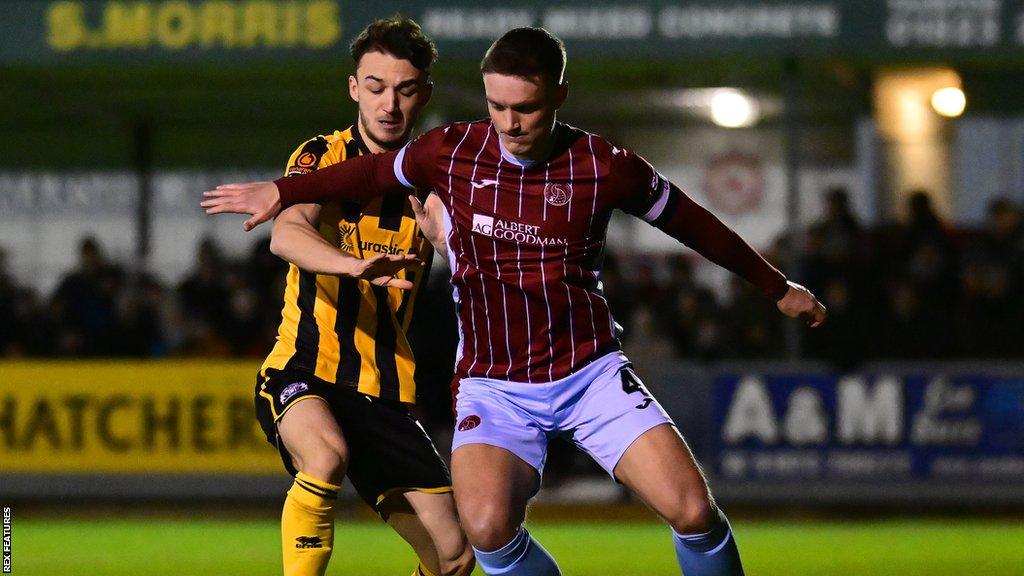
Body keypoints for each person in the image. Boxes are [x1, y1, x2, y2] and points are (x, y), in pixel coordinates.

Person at [203, 27, 826, 576]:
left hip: (590, 373)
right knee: (485, 530)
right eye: (496, 106)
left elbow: (694, 224)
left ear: (559, 96)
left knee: (692, 510)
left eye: (524, 108)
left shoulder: (606, 167)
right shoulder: (449, 153)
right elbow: (360, 176)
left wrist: (778, 287)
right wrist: (282, 191)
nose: (509, 123)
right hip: (492, 386)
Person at [249, 17, 472, 576]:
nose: (388, 105)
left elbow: (477, 267)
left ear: (424, 95)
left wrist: (450, 246)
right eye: (375, 87)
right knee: (324, 458)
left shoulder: (439, 182)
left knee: (453, 556)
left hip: (383, 388)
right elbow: (285, 232)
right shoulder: (323, 156)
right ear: (354, 88)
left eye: (403, 90)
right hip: (304, 365)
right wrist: (355, 266)